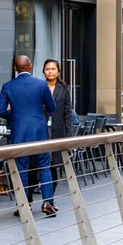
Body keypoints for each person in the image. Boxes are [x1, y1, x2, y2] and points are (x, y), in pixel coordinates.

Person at [0, 55, 57, 217]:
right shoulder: (41, 84)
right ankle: (47, 202)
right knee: (44, 165)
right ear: (30, 67)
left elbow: (1, 111)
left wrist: (16, 116)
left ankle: (24, 205)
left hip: (19, 131)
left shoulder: (8, 86)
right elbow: (52, 106)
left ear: (15, 69)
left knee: (21, 168)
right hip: (39, 130)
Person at [43, 59, 73, 205]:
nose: (50, 71)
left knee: (54, 166)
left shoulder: (64, 89)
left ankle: (49, 200)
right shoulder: (40, 87)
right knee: (41, 165)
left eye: (53, 69)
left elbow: (68, 113)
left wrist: (68, 138)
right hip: (41, 131)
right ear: (43, 71)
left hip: (57, 132)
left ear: (58, 71)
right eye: (47, 69)